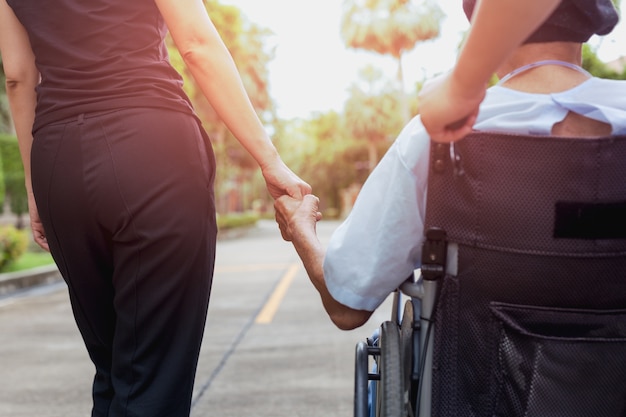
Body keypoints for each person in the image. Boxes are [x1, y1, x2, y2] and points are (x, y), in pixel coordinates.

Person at [0, 0, 310, 416]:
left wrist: (38, 187)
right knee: (153, 375)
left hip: (59, 159)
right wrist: (269, 160)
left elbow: (18, 77)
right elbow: (197, 44)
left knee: (111, 373)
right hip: (153, 146)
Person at [275, 0, 626, 331]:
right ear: (592, 22)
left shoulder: (436, 136)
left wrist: (300, 227)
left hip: (479, 386)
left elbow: (346, 305)